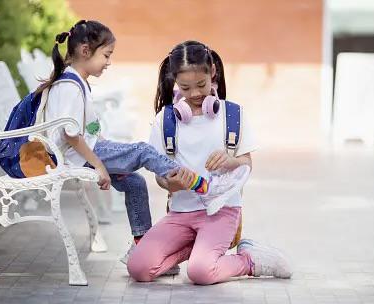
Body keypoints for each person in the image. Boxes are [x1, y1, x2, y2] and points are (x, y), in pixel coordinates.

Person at [43, 21, 243, 275]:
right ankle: (204, 186)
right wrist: (98, 164)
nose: (108, 62)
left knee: (135, 183)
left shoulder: (76, 83)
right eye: (106, 55)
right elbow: (71, 135)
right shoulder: (70, 86)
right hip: (76, 156)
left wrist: (103, 141)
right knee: (143, 151)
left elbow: (87, 126)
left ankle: (141, 244)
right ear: (85, 51)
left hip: (82, 152)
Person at [127, 41, 292, 285]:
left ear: (212, 72)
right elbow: (161, 179)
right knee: (139, 268)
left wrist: (231, 160)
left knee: (200, 273)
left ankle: (250, 260)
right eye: (185, 87)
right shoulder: (166, 120)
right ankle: (198, 251)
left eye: (201, 85)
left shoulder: (233, 115)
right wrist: (170, 184)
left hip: (221, 212)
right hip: (181, 212)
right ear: (174, 81)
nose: (194, 94)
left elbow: (247, 163)